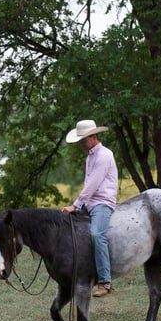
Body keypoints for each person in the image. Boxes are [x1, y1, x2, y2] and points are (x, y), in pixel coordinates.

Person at [62, 119, 118, 297]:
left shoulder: (104, 156)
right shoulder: (90, 156)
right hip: (90, 202)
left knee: (96, 234)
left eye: (83, 139)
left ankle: (105, 281)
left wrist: (75, 205)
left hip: (102, 202)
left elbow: (92, 185)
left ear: (94, 137)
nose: (81, 143)